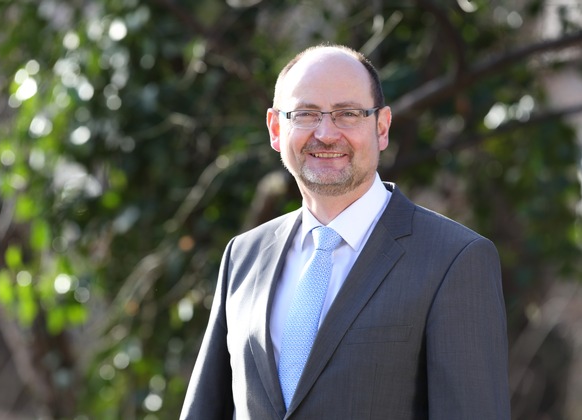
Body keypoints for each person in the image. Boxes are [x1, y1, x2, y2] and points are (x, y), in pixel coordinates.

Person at [180, 44, 510, 419]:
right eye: (305, 114)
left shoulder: (454, 260)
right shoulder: (243, 255)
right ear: (275, 128)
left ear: (381, 127)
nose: (325, 133)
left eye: (348, 114)